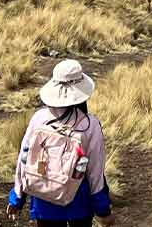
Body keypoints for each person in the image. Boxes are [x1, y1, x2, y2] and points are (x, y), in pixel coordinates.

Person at [9, 60, 112, 226]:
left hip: (44, 202)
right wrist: (103, 210)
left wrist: (17, 199)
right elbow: (95, 173)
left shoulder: (39, 118)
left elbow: (24, 159)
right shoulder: (90, 124)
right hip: (79, 206)